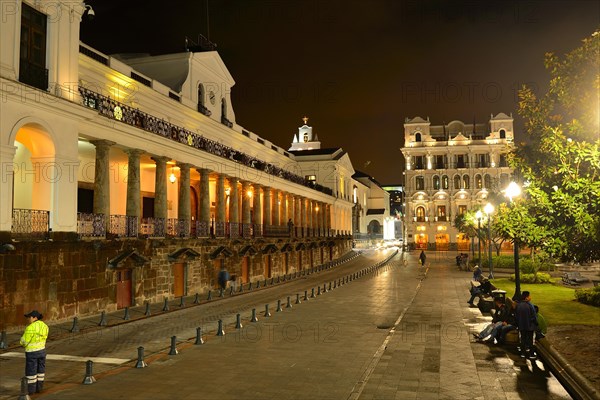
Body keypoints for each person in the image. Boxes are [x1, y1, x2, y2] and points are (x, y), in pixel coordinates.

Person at [20, 310, 49, 395]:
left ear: (35, 318)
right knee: (41, 370)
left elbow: (24, 341)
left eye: (30, 317)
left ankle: (31, 390)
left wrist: (21, 343)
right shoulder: (45, 326)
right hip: (42, 351)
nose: (28, 319)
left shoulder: (30, 327)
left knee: (31, 371)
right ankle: (39, 388)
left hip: (32, 352)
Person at [515, 291, 538, 359]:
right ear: (526, 297)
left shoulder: (519, 305)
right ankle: (531, 354)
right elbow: (534, 316)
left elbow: (516, 316)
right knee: (530, 340)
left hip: (521, 325)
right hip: (529, 325)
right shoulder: (530, 305)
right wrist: (536, 324)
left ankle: (523, 353)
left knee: (523, 339)